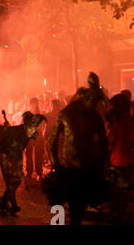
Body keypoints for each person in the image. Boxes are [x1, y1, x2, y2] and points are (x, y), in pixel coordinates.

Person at [44, 72, 111, 225]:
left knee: (75, 208)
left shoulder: (92, 116)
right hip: (70, 167)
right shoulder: (67, 114)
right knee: (60, 205)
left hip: (82, 169)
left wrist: (100, 165)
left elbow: (103, 142)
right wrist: (56, 165)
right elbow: (52, 141)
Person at [0, 111, 46, 215]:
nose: (32, 131)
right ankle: (14, 205)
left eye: (34, 128)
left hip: (17, 157)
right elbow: (4, 143)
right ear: (25, 126)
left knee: (17, 181)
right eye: (30, 128)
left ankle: (3, 202)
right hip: (7, 157)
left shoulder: (33, 133)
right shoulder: (14, 131)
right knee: (11, 182)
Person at [105, 93, 134, 224]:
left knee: (118, 192)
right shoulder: (129, 121)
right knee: (120, 192)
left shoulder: (120, 123)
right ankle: (118, 215)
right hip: (125, 161)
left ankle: (117, 217)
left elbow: (109, 141)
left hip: (119, 162)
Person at [25, 97, 45, 181]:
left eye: (36, 103)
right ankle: (29, 172)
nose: (35, 105)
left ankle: (38, 172)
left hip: (37, 135)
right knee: (29, 153)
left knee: (38, 154)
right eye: (34, 103)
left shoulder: (39, 114)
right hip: (31, 135)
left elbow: (43, 125)